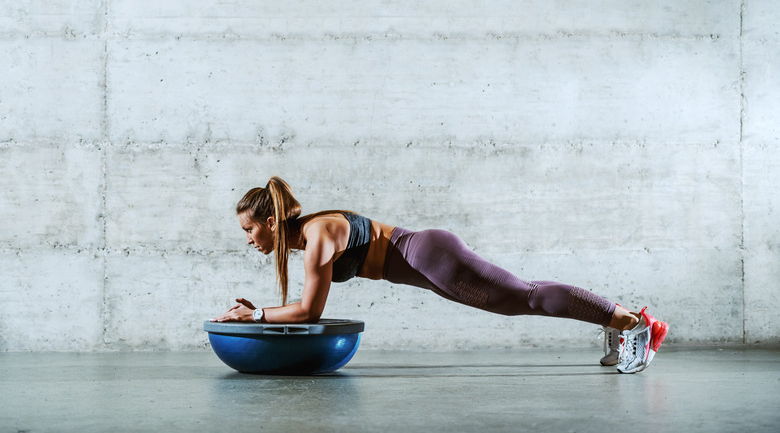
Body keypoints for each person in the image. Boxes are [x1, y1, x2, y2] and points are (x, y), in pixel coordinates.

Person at [212, 177, 669, 374]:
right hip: (426, 260)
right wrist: (262, 314)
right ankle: (617, 323)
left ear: (271, 221)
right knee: (518, 300)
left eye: (249, 229)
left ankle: (634, 325)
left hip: (428, 254)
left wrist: (257, 319)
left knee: (522, 298)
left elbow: (312, 310)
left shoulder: (316, 238)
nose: (248, 239)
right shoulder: (310, 234)